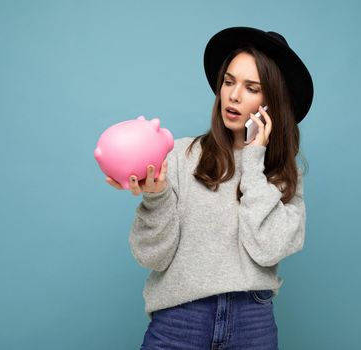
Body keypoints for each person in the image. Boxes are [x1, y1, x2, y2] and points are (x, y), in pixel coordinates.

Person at [106, 26, 313, 350]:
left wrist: (253, 161)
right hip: (179, 320)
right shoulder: (179, 155)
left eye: (251, 87)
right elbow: (151, 256)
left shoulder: (285, 175)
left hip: (251, 323)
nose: (233, 95)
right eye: (229, 81)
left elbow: (268, 249)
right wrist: (155, 195)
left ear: (272, 102)